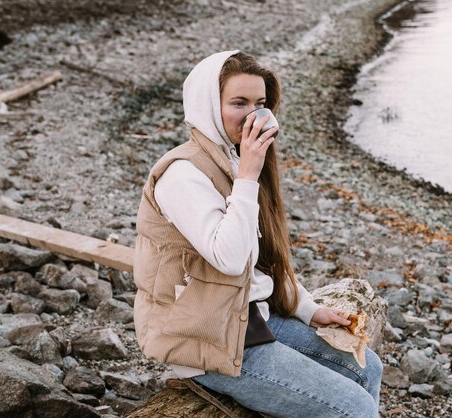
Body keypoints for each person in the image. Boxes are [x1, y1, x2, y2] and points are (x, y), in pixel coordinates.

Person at [133, 50, 383, 418]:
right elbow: (231, 260)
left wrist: (309, 310)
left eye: (260, 103)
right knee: (354, 407)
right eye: (239, 103)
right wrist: (248, 175)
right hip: (205, 338)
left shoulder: (233, 159)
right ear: (208, 105)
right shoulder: (183, 174)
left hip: (249, 317)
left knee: (368, 369)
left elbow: (258, 265)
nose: (254, 115)